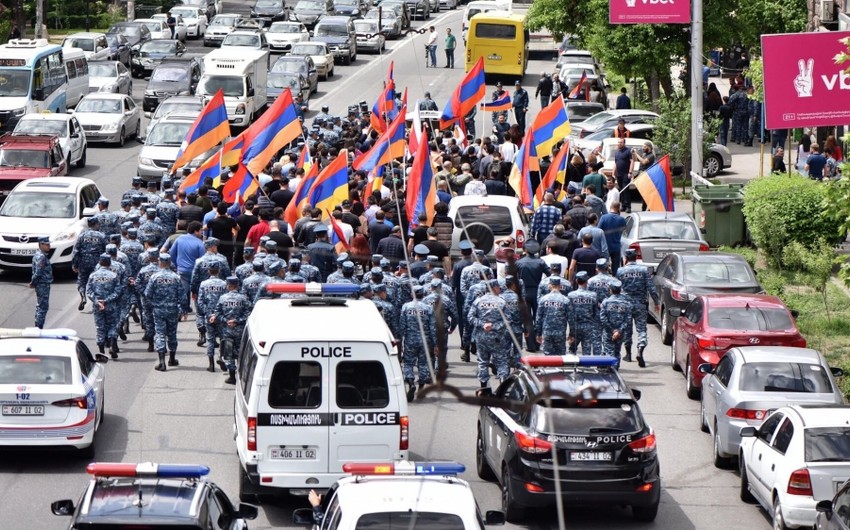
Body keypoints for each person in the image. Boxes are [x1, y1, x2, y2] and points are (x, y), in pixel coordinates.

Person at [616, 249, 658, 367]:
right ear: (636, 258)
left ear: (625, 259)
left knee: (627, 329)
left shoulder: (620, 271)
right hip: (640, 304)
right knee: (641, 329)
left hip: (625, 304)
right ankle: (640, 350)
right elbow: (651, 287)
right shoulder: (643, 270)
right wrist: (656, 301)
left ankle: (628, 354)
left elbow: (616, 288)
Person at [469, 279, 510, 395]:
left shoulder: (478, 301)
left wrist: (483, 325)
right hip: (497, 337)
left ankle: (484, 388)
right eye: (498, 287)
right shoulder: (501, 302)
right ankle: (503, 389)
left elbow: (470, 317)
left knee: (482, 362)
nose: (500, 289)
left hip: (481, 336)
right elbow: (507, 320)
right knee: (501, 362)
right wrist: (494, 326)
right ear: (494, 288)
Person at [209, 276, 251, 384]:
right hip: (240, 330)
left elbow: (217, 313)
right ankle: (242, 374)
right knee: (241, 352)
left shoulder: (223, 298)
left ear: (228, 286)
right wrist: (237, 321)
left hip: (226, 330)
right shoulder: (243, 298)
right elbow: (248, 314)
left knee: (228, 353)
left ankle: (232, 375)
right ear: (237, 285)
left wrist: (226, 321)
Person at [146, 254, 183, 371]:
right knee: (172, 334)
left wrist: (154, 302)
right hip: (173, 309)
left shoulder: (154, 277)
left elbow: (147, 294)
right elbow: (182, 296)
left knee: (160, 334)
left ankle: (162, 362)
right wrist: (183, 309)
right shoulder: (176, 277)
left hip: (159, 309)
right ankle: (172, 359)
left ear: (160, 262)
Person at [398, 285, 435, 402]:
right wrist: (435, 344)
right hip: (425, 340)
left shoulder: (406, 307)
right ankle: (421, 388)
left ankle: (410, 383)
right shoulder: (428, 308)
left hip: (410, 340)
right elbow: (433, 328)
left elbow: (402, 326)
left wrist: (400, 340)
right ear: (423, 294)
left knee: (408, 363)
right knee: (423, 364)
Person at [515, 240, 549, 351]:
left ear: (525, 250)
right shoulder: (541, 262)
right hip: (537, 292)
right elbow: (549, 275)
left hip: (523, 293)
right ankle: (537, 342)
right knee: (537, 318)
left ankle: (530, 345)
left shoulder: (519, 263)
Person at [86, 254, 120, 356]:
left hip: (98, 306)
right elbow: (117, 291)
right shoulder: (114, 276)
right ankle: (112, 345)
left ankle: (101, 351)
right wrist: (106, 300)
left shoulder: (93, 276)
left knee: (100, 327)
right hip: (110, 305)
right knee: (112, 325)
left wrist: (97, 301)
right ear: (109, 263)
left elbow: (89, 291)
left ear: (100, 263)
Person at [197, 262, 227, 371]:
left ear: (208, 270)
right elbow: (226, 300)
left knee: (210, 339)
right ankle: (221, 356)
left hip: (209, 316)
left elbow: (200, 302)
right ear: (218, 270)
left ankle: (211, 365)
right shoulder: (224, 284)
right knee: (223, 338)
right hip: (221, 316)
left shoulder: (204, 284)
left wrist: (208, 314)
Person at [534, 276, 571, 356]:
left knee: (548, 357)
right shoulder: (565, 300)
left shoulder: (543, 299)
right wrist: (571, 334)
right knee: (561, 357)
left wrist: (538, 333)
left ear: (549, 285)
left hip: (547, 332)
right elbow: (570, 319)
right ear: (560, 286)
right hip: (560, 333)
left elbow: (538, 318)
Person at [600, 280, 632, 368]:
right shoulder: (627, 303)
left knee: (608, 352)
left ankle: (610, 372)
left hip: (608, 332)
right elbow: (628, 320)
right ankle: (615, 370)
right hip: (620, 333)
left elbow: (603, 318)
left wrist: (612, 330)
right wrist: (619, 331)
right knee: (617, 352)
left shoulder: (606, 302)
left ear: (610, 290)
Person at [567, 271, 599, 355]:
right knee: (587, 351)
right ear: (587, 281)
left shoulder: (571, 295)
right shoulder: (593, 295)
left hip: (575, 326)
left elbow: (569, 314)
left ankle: (572, 367)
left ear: (576, 281)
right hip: (588, 326)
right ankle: (586, 367)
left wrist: (571, 331)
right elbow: (596, 312)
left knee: (572, 350)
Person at [30, 237, 52, 329]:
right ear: (41, 244)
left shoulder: (38, 255)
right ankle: (39, 327)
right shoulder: (41, 257)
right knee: (43, 307)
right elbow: (38, 271)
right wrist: (33, 282)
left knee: (40, 305)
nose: (49, 247)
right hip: (42, 283)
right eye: (47, 245)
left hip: (42, 283)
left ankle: (37, 324)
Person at [598, 202, 627, 275]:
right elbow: (624, 231)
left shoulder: (604, 217)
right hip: (616, 246)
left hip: (605, 247)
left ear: (610, 207)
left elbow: (599, 230)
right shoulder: (621, 219)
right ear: (618, 208)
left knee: (603, 267)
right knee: (616, 268)